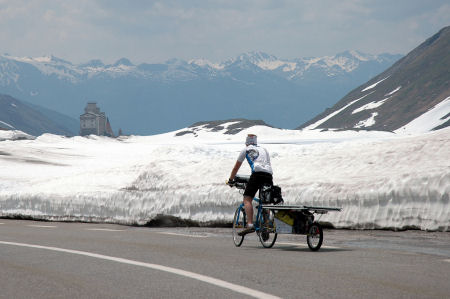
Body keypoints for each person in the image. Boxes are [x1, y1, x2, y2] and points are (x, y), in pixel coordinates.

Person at [228, 134, 273, 235]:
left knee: (247, 199)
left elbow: (236, 168)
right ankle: (266, 225)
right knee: (265, 201)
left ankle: (250, 224)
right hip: (269, 175)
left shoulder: (246, 149)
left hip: (257, 174)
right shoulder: (264, 149)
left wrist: (231, 180)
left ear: (247, 142)